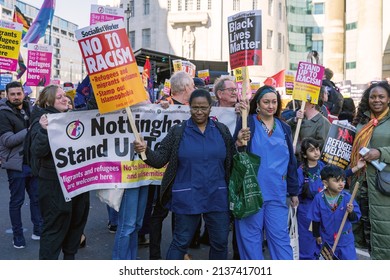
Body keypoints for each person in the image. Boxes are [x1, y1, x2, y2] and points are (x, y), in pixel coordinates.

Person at [134, 89, 235, 260]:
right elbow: (159, 160)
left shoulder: (222, 130)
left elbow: (232, 161)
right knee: (180, 243)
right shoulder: (178, 132)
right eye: (195, 108)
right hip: (187, 196)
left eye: (203, 107)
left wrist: (240, 144)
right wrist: (144, 151)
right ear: (190, 108)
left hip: (217, 196)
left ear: (211, 108)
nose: (199, 112)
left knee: (220, 243)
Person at [233, 85, 299, 260]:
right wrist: (239, 143)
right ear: (258, 104)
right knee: (251, 239)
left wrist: (293, 191)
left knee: (280, 238)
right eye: (266, 102)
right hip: (251, 191)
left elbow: (291, 161)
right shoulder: (248, 122)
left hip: (277, 192)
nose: (271, 106)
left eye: (274, 102)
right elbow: (236, 154)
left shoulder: (284, 128)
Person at [30, 85, 90, 259]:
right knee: (54, 231)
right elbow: (38, 151)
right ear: (49, 101)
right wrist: (43, 130)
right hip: (54, 187)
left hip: (77, 183)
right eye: (59, 97)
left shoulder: (70, 117)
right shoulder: (42, 121)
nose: (65, 99)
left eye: (65, 96)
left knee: (75, 227)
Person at [297, 137, 365, 259]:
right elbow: (295, 190)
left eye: (317, 149)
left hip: (329, 217)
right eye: (312, 150)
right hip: (307, 211)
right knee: (309, 244)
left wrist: (357, 167)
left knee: (331, 245)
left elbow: (339, 176)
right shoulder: (300, 171)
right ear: (305, 154)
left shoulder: (324, 168)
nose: (316, 152)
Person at [350, 81, 390, 259]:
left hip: (384, 187)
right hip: (361, 184)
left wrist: (380, 153)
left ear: (388, 99)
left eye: (381, 96)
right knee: (363, 235)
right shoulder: (363, 120)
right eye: (373, 97)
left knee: (383, 235)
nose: (377, 100)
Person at [0, 81, 42, 249]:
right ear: (7, 95)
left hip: (33, 162)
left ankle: (38, 230)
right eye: (13, 94)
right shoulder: (3, 114)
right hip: (16, 165)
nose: (16, 97)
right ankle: (18, 236)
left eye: (19, 93)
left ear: (23, 93)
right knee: (16, 202)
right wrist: (31, 129)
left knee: (37, 199)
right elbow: (7, 141)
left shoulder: (30, 108)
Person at [307, 165, 361, 260]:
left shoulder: (347, 198)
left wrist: (351, 212)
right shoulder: (319, 198)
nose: (341, 184)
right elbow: (315, 219)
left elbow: (355, 218)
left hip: (345, 241)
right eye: (336, 181)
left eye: (342, 180)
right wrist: (317, 235)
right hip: (327, 241)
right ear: (325, 183)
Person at [286, 94, 331, 158]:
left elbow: (321, 146)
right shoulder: (299, 119)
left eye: (303, 101)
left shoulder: (323, 122)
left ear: (312, 104)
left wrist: (298, 149)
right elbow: (284, 128)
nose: (300, 103)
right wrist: (295, 119)